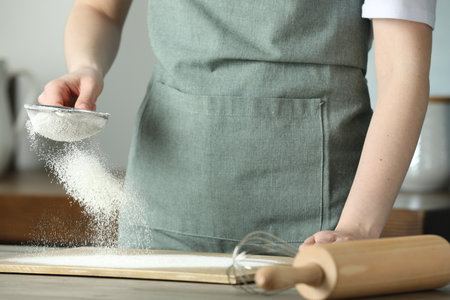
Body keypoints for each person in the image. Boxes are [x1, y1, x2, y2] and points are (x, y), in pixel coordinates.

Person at [38, 0, 436, 253]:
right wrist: (85, 66)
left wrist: (357, 229)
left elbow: (404, 74)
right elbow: (100, 9)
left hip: (319, 226)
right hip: (162, 211)